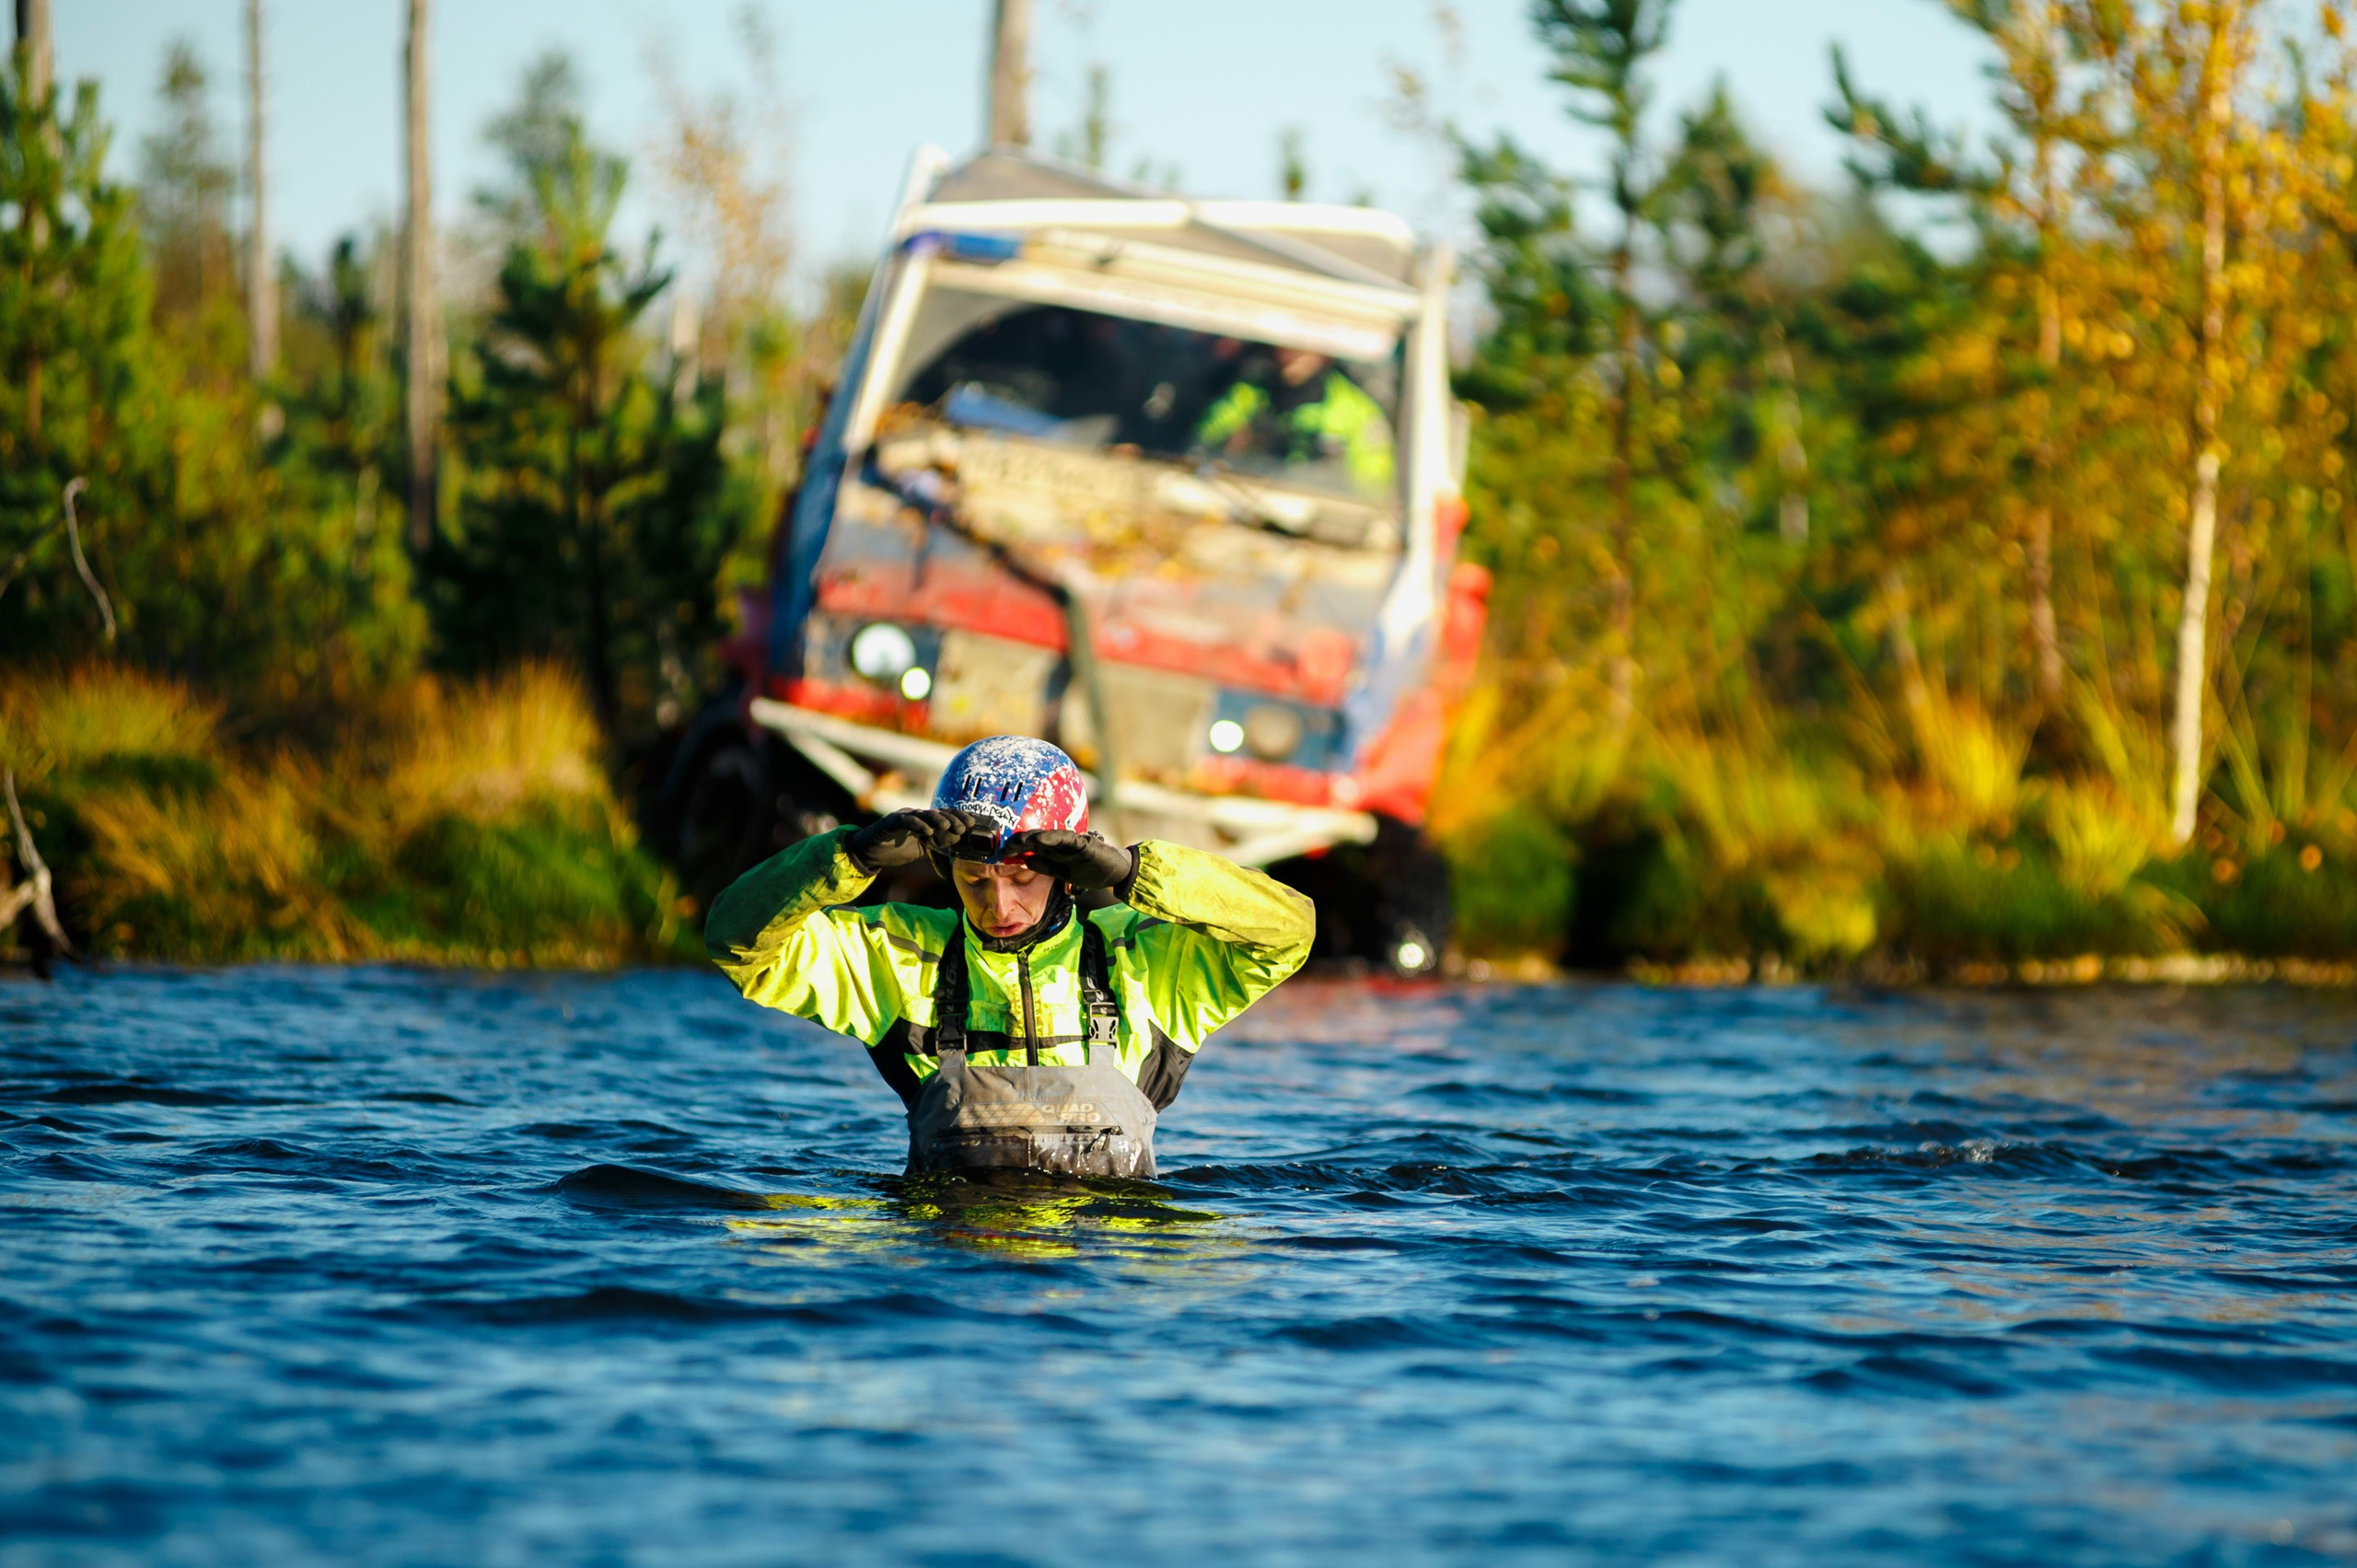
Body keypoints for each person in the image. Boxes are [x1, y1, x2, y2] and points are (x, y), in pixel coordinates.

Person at [705, 735, 1316, 1179]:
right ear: (947, 870)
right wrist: (849, 858)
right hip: (948, 1286)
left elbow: (1290, 930)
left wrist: (1136, 871)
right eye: (976, 879)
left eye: (1023, 878)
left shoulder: (1145, 963)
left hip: (1105, 1300)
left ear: (1070, 873)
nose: (999, 903)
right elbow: (736, 941)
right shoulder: (896, 957)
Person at [1194, 345, 1396, 495]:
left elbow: (1373, 486)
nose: (1292, 354)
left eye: (1305, 347)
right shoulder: (1249, 393)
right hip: (1243, 498)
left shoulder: (1357, 412)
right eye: (1287, 346)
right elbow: (1201, 443)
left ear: (1324, 354)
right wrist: (1227, 445)